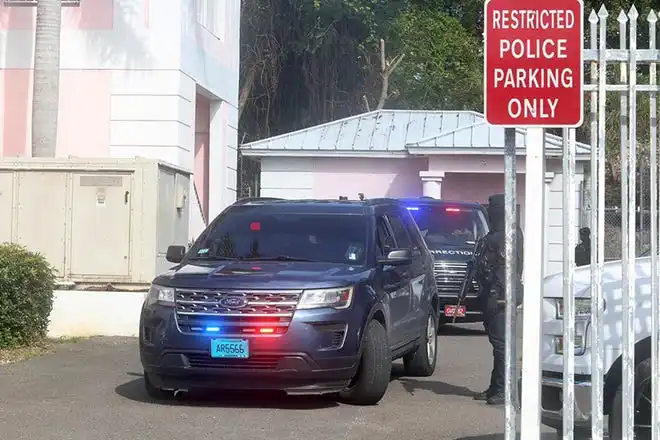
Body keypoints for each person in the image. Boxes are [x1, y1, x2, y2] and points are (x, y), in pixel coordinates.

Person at [472, 194, 524, 405]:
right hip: (495, 293)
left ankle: (504, 391)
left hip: (501, 295)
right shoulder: (501, 234)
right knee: (499, 344)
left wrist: (497, 293)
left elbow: (505, 269)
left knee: (503, 345)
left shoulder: (507, 236)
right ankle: (496, 387)